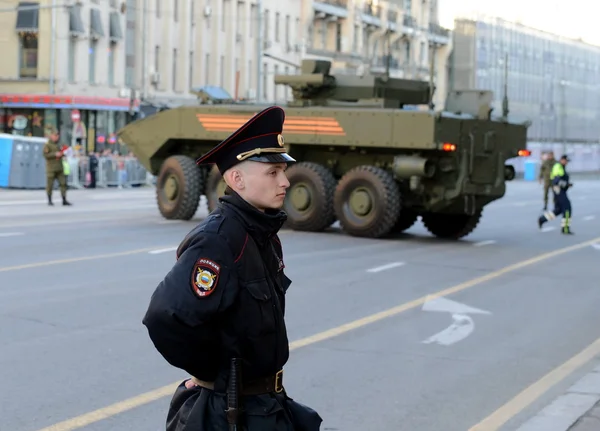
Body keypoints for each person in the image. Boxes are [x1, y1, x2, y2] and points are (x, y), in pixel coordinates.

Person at [142, 106, 323, 431]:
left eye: (283, 171)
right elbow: (164, 317)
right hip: (232, 414)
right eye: (272, 173)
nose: (285, 181)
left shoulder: (260, 233)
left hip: (265, 405)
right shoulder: (220, 239)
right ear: (236, 179)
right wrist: (210, 373)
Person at [538, 154, 573, 234]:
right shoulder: (558, 166)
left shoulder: (561, 166)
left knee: (558, 210)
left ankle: (542, 219)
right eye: (566, 161)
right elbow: (556, 180)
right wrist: (566, 184)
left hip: (559, 191)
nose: (567, 162)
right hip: (559, 191)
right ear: (562, 160)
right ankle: (565, 228)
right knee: (567, 208)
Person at [42, 125, 72, 206]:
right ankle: (49, 200)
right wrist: (55, 154)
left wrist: (64, 153)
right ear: (51, 136)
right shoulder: (47, 145)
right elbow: (45, 155)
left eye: (57, 135)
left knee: (63, 183)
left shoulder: (59, 144)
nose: (57, 137)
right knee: (50, 185)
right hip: (51, 168)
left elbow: (63, 152)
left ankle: (64, 199)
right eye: (55, 135)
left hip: (59, 167)